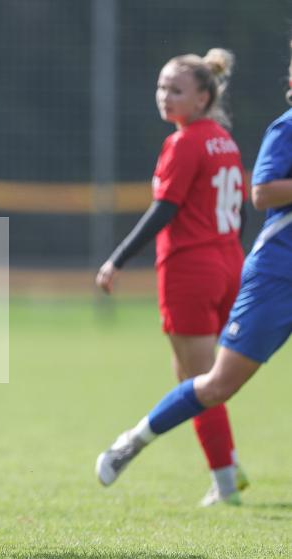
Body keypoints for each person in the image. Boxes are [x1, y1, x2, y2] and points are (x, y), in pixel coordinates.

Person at [96, 39, 292, 498]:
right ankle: (224, 475)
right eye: (161, 87)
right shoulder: (224, 140)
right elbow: (248, 205)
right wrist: (237, 254)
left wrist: (117, 259)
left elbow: (165, 210)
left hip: (192, 268)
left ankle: (222, 479)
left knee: (201, 379)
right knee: (204, 378)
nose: (164, 96)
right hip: (231, 261)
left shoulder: (185, 142)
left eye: (175, 89)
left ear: (204, 96)